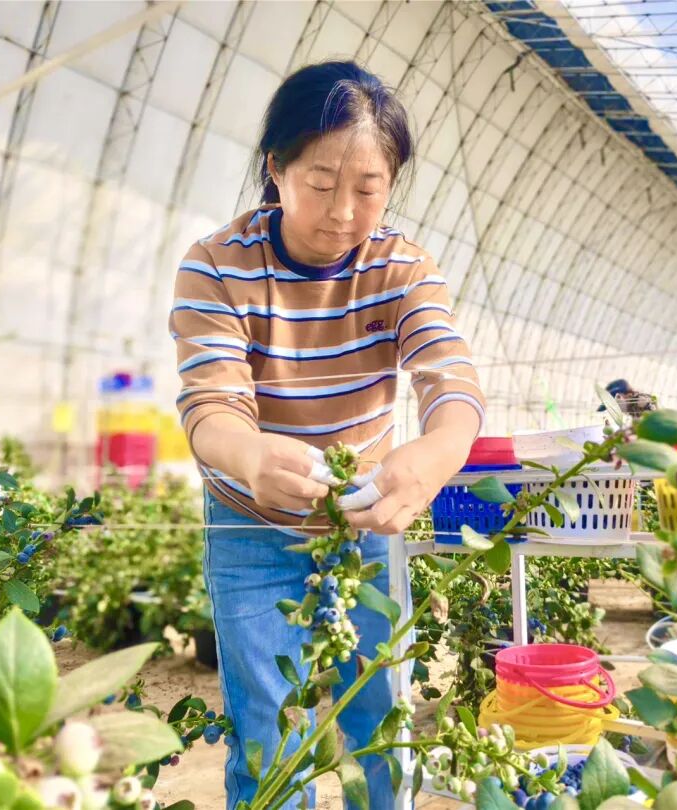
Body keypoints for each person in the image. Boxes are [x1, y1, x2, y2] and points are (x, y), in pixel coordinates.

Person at [170, 61, 484, 809]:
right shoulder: (217, 266)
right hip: (250, 524)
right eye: (320, 183)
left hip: (365, 523)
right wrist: (251, 456)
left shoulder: (401, 268)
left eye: (369, 189)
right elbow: (211, 408)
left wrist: (436, 455)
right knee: (268, 735)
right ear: (275, 169)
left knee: (382, 722)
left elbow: (451, 380)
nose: (343, 212)